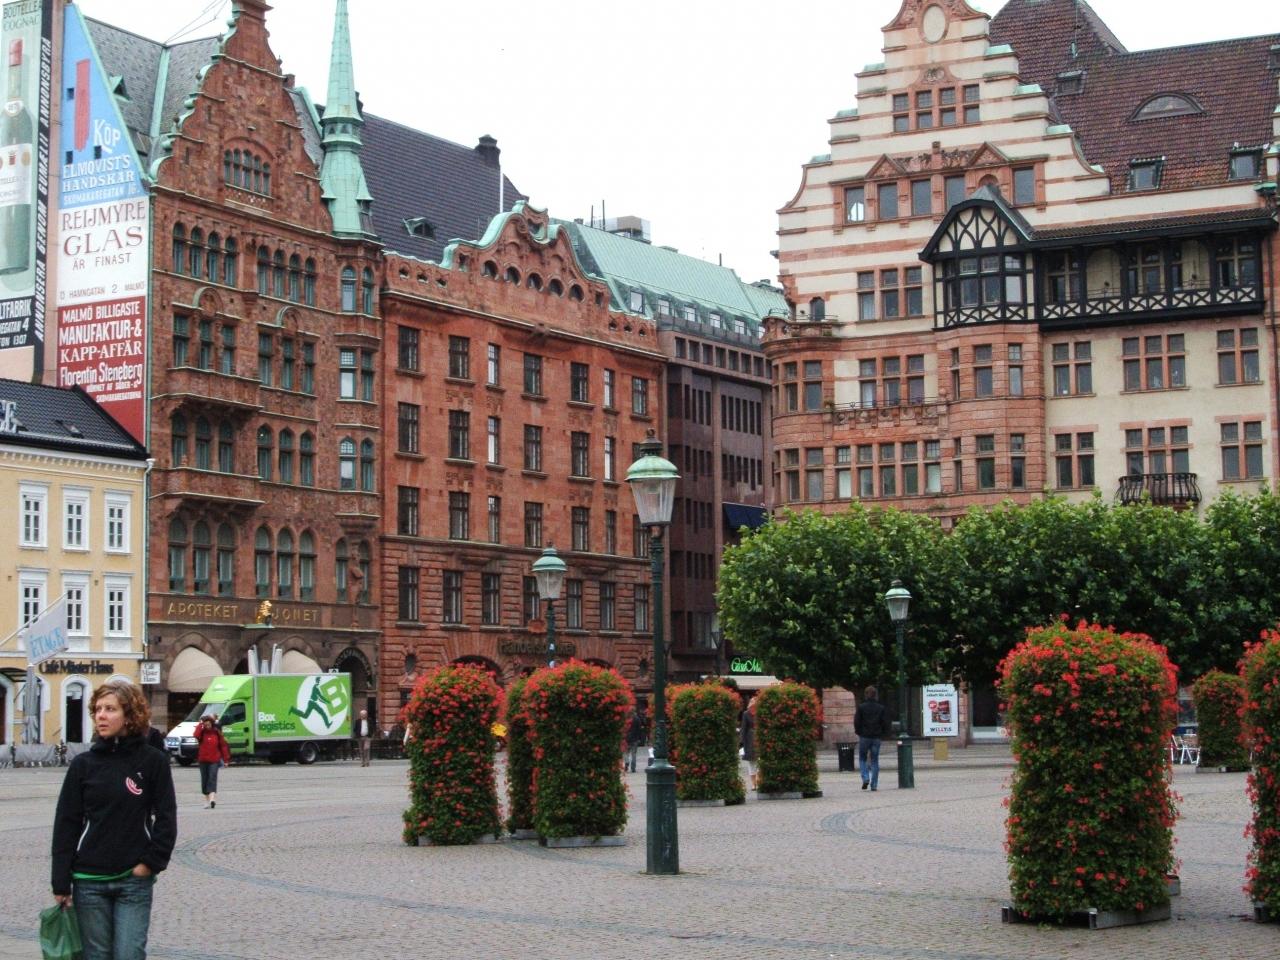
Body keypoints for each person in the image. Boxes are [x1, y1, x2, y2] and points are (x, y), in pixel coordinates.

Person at [51, 678, 177, 960]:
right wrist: (60, 881)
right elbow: (67, 823)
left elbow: (166, 817)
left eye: (110, 709)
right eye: (98, 709)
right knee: (96, 955)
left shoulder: (153, 761)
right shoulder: (83, 765)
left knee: (129, 953)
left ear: (129, 716)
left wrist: (150, 863)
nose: (101, 716)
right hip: (88, 880)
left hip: (133, 879)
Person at [854, 685, 889, 791]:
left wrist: (859, 732)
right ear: (875, 695)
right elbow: (884, 722)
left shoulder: (861, 707)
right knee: (874, 760)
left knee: (862, 758)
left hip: (864, 736)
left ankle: (865, 777)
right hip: (876, 737)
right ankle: (874, 785)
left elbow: (857, 722)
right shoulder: (881, 708)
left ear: (866, 695)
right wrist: (882, 733)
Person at [193, 712, 231, 808]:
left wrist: (226, 760)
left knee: (212, 778)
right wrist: (200, 724)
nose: (207, 726)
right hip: (203, 760)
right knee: (204, 780)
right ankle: (207, 800)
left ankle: (212, 799)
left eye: (209, 724)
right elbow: (195, 735)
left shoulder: (217, 733)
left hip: (214, 760)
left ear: (212, 724)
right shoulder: (201, 733)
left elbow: (223, 746)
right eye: (205, 725)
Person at [624, 705, 647, 773]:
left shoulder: (626, 718)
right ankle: (633, 768)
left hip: (627, 738)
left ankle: (627, 762)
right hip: (635, 739)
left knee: (626, 753)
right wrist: (640, 738)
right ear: (634, 711)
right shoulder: (637, 719)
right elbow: (639, 730)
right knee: (633, 754)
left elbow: (624, 728)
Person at [739, 698, 757, 787]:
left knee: (760, 761)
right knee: (751, 762)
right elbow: (743, 728)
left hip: (759, 738)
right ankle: (754, 784)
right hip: (749, 739)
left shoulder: (760, 712)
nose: (753, 706)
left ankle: (758, 781)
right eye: (752, 704)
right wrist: (741, 741)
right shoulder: (746, 714)